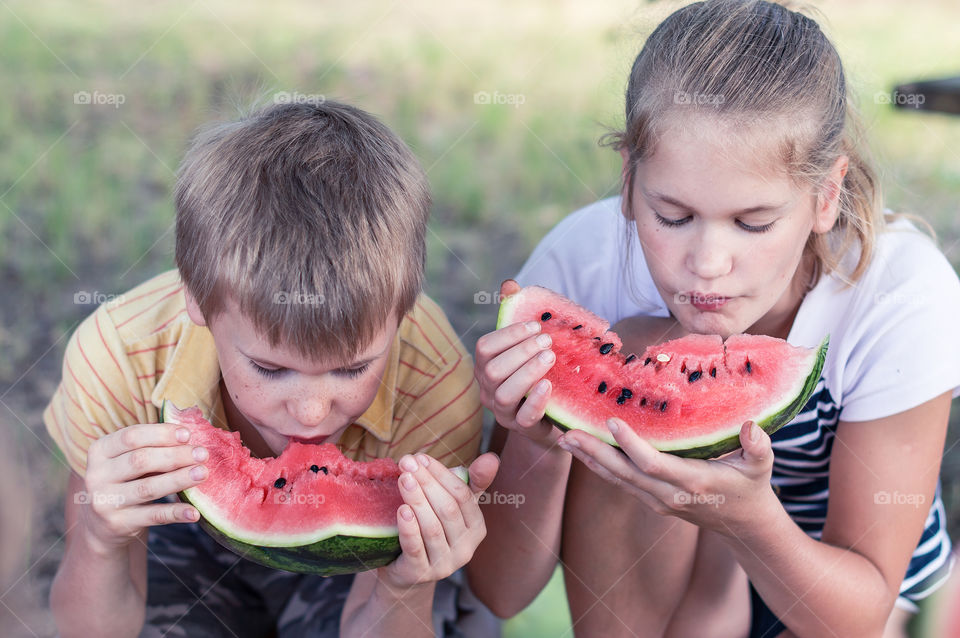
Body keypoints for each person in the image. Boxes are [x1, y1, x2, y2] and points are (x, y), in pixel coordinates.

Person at [468, 1, 960, 637]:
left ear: (826, 195)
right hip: (654, 592)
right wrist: (539, 440)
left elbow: (858, 615)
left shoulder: (902, 298)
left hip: (838, 589)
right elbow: (501, 593)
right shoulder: (580, 265)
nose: (707, 264)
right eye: (672, 216)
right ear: (627, 179)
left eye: (753, 223)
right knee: (644, 350)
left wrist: (748, 518)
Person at [44, 100, 500, 638]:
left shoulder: (433, 379)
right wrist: (100, 539)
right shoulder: (120, 355)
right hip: (184, 535)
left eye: (352, 369)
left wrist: (408, 586)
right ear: (197, 299)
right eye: (268, 367)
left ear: (402, 311)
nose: (311, 412)